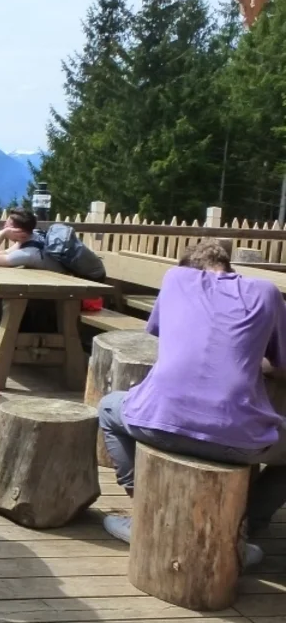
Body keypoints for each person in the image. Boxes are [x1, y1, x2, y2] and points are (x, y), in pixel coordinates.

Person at [96, 239, 286, 566]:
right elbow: (281, 363)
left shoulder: (174, 279)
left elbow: (159, 333)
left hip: (155, 422)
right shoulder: (266, 292)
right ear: (229, 267)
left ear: (188, 268)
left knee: (108, 408)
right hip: (237, 439)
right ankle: (243, 528)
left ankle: (143, 513)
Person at [0, 208, 65, 272]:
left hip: (61, 292)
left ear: (18, 230)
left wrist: (2, 233)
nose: (4, 227)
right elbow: (5, 253)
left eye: (7, 226)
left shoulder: (28, 253)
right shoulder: (33, 237)